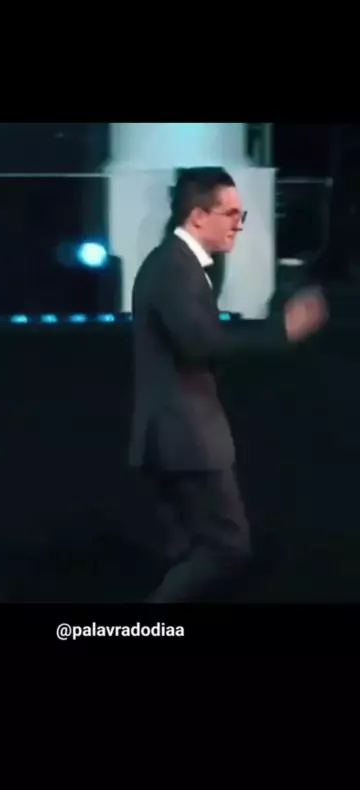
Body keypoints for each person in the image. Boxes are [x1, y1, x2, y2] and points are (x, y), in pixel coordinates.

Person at [129, 166, 328, 603]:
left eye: (242, 214)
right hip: (185, 439)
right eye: (231, 213)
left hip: (178, 437)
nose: (239, 224)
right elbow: (201, 343)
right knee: (227, 549)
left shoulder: (183, 265)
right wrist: (283, 332)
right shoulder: (173, 268)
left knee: (191, 552)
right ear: (198, 216)